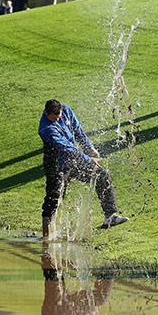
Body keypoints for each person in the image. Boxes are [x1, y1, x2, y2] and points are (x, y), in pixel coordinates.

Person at [38, 99, 128, 239]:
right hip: (55, 164)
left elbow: (77, 130)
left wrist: (89, 148)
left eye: (59, 116)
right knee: (54, 198)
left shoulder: (66, 109)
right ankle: (46, 237)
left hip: (72, 159)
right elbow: (66, 148)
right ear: (46, 113)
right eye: (54, 118)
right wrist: (88, 158)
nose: (58, 119)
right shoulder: (46, 129)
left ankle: (110, 216)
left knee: (101, 175)